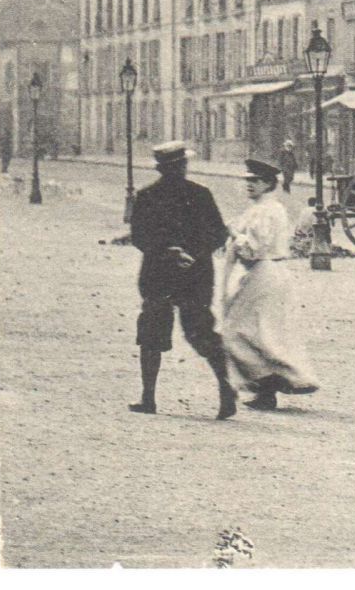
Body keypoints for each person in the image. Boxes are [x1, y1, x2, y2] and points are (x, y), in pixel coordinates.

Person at [127, 142, 239, 419]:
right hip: (194, 275)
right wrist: (193, 254)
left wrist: (168, 252)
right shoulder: (200, 194)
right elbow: (219, 234)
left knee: (152, 335)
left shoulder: (147, 196)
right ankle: (226, 389)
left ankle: (148, 398)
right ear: (181, 166)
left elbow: (139, 237)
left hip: (158, 274)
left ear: (160, 168)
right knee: (200, 332)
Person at [219, 160, 321, 411]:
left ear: (268, 184)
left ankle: (270, 384)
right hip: (265, 273)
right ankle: (269, 385)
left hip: (264, 272)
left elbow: (254, 249)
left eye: (255, 181)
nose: (249, 185)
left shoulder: (268, 210)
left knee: (237, 330)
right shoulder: (261, 208)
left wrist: (234, 235)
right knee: (259, 332)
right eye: (248, 181)